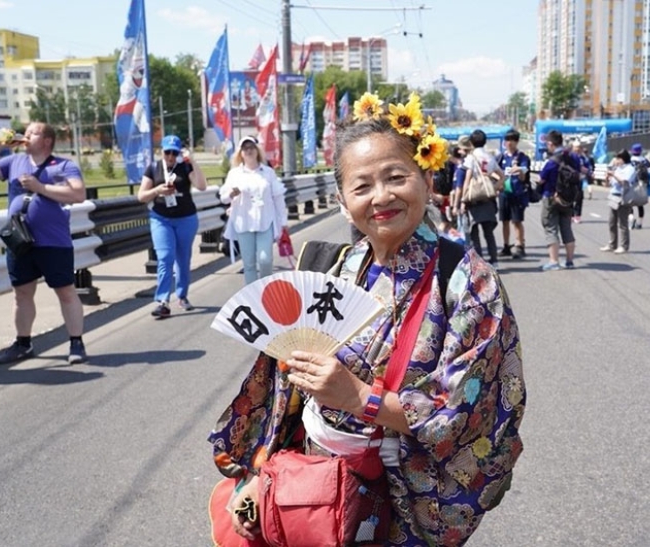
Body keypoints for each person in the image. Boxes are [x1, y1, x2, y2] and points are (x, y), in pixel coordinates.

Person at [208, 92, 526, 545]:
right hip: (313, 485)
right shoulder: (332, 268)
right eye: (361, 186)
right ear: (341, 199)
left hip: (402, 495)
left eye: (396, 177)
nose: (382, 197)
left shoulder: (468, 283)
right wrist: (262, 477)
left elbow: (465, 412)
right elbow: (287, 396)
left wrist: (361, 398)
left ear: (426, 176)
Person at [0, 122, 88, 365]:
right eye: (25, 132)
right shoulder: (14, 161)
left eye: (32, 132)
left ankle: (76, 342)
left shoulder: (63, 165)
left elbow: (78, 195)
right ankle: (23, 343)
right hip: (20, 241)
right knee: (22, 294)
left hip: (54, 242)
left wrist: (40, 187)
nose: (26, 135)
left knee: (65, 292)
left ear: (47, 140)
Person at [137, 135, 206, 318]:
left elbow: (201, 186)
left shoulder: (185, 166)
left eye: (174, 153)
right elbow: (141, 196)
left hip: (186, 218)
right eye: (167, 152)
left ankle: (182, 296)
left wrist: (193, 160)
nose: (170, 156)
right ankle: (162, 301)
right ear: (161, 151)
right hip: (161, 218)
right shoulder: (153, 168)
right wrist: (157, 191)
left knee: (183, 259)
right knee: (165, 257)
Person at [218, 135, 287, 285]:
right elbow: (223, 197)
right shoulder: (235, 174)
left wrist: (283, 222)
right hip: (244, 223)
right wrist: (231, 194)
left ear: (257, 150)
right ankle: (252, 297)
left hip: (265, 221)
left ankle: (266, 289)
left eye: (251, 147)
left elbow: (278, 197)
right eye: (245, 148)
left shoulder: (267, 172)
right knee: (249, 264)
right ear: (240, 153)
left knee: (265, 259)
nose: (249, 151)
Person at [461, 129, 505, 267]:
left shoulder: (471, 157)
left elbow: (467, 179)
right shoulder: (490, 157)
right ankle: (494, 260)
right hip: (487, 198)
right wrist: (495, 187)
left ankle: (479, 262)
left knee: (474, 233)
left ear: (472, 142)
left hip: (474, 199)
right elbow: (502, 175)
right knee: (488, 233)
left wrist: (463, 199)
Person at [537, 129, 579, 270]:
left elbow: (542, 179)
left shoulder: (552, 161)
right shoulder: (573, 157)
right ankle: (569, 261)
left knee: (551, 228)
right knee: (566, 228)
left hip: (551, 197)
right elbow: (579, 173)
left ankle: (554, 261)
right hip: (568, 198)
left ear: (551, 143)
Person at [497, 129, 531, 259]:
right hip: (504, 193)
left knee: (517, 221)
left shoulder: (522, 157)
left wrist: (519, 170)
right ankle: (506, 245)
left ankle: (520, 245)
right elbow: (494, 171)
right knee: (504, 221)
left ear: (517, 142)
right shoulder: (501, 157)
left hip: (517, 194)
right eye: (507, 140)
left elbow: (523, 176)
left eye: (513, 140)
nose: (509, 143)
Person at [600, 149, 635, 254]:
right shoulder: (618, 168)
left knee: (622, 223)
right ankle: (612, 244)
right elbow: (610, 184)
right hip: (613, 196)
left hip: (623, 197)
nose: (616, 161)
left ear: (623, 159)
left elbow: (624, 182)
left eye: (618, 158)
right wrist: (607, 177)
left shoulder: (630, 169)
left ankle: (624, 246)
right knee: (611, 222)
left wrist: (614, 174)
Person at [628, 143, 650, 229]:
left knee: (630, 203)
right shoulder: (644, 160)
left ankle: (631, 218)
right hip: (642, 184)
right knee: (640, 204)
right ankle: (640, 223)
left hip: (632, 184)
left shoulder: (630, 161)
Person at [571, 140, 591, 223]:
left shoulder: (583, 158)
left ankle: (577, 215)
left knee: (579, 198)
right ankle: (570, 215)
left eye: (579, 147)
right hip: (570, 180)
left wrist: (587, 171)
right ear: (573, 148)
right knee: (570, 198)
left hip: (579, 180)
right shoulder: (569, 156)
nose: (577, 149)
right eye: (576, 147)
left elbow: (588, 167)